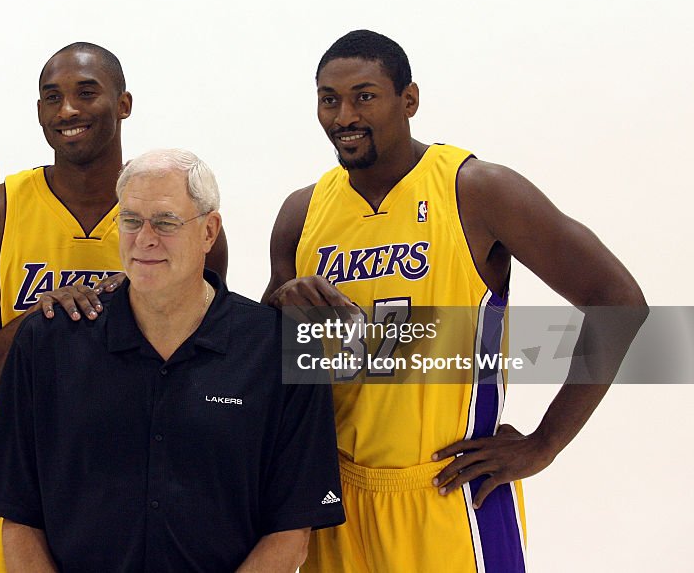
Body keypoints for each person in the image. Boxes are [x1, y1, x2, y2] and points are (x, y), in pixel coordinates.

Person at [264, 30, 647, 572]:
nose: (344, 114)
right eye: (329, 99)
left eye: (364, 96)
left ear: (409, 100)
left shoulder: (477, 189)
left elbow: (619, 301)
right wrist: (281, 302)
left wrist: (544, 443)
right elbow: (266, 354)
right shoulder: (302, 212)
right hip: (336, 496)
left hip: (451, 491)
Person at [0, 149, 344, 572]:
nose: (144, 238)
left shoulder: (282, 347)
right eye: (130, 221)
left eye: (165, 222)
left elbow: (290, 531)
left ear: (208, 231)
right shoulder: (46, 343)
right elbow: (17, 517)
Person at [0, 43, 228, 572]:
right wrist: (40, 324)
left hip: (145, 497)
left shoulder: (177, 223)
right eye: (52, 97)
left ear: (124, 103)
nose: (67, 109)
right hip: (24, 494)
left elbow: (206, 370)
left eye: (86, 93)